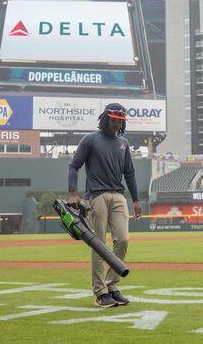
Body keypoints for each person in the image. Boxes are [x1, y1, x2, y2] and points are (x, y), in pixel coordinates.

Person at [68, 103, 143, 307]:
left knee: (123, 240)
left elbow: (129, 173)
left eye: (120, 121)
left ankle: (112, 285)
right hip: (97, 196)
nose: (116, 123)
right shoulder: (90, 139)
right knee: (98, 244)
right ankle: (100, 292)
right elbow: (74, 166)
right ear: (104, 118)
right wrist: (73, 193)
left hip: (119, 196)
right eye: (113, 119)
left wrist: (135, 200)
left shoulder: (123, 143)